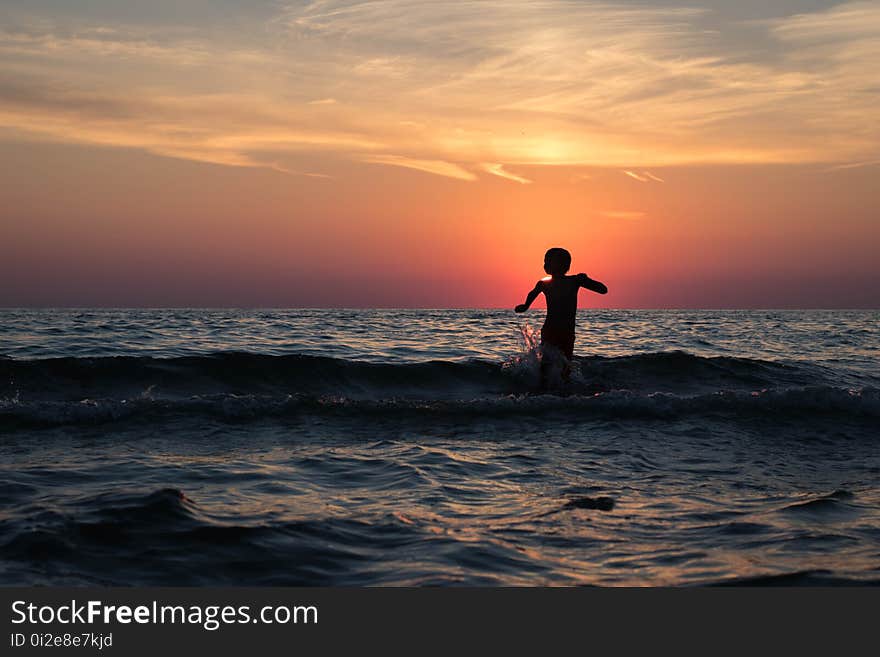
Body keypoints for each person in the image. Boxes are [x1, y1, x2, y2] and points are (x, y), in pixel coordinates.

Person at [515, 248, 607, 380]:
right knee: (549, 363)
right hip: (552, 330)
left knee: (564, 365)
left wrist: (587, 280)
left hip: (566, 332)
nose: (545, 265)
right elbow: (532, 293)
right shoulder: (545, 284)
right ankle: (546, 388)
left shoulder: (575, 281)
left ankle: (559, 391)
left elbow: (603, 290)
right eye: (545, 261)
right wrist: (525, 306)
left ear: (564, 265)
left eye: (548, 261)